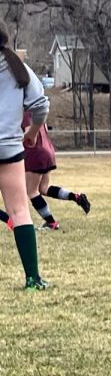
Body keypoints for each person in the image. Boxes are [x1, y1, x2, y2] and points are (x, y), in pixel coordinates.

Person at [0, 22, 50, 290]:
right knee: (20, 211)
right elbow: (41, 105)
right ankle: (32, 278)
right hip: (9, 149)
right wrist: (31, 132)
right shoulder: (18, 68)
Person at [21, 115, 91, 229]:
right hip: (47, 150)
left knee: (31, 191)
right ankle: (76, 197)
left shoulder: (24, 112)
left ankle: (51, 223)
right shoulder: (37, 109)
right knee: (44, 188)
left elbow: (28, 132)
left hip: (35, 153)